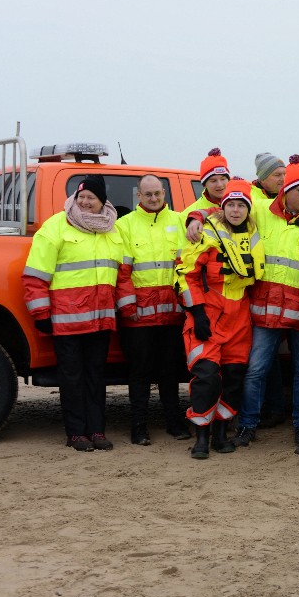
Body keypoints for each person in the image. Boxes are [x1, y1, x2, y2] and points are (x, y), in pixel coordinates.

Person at [235, 155, 299, 448]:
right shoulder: (262, 211)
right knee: (255, 369)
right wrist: (195, 219)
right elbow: (228, 209)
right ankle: (247, 424)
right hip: (265, 311)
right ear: (285, 190)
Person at [23, 174, 124, 451]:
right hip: (67, 322)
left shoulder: (112, 230)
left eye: (91, 197)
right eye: (81, 197)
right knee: (72, 378)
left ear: (102, 201)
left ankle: (97, 431)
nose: (85, 202)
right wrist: (41, 313)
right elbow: (34, 276)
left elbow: (122, 274)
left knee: (96, 377)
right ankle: (76, 433)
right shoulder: (56, 226)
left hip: (101, 320)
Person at [176, 179, 265, 459]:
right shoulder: (206, 235)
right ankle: (200, 437)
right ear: (222, 207)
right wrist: (197, 312)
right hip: (210, 314)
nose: (236, 210)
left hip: (240, 316)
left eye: (241, 205)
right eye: (231, 205)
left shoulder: (255, 234)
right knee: (207, 378)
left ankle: (220, 433)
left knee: (235, 378)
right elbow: (184, 274)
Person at [115, 174, 190, 445]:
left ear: (164, 193)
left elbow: (187, 266)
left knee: (171, 372)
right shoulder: (125, 226)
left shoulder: (180, 221)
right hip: (139, 317)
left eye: (157, 193)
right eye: (148, 195)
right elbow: (122, 273)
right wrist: (127, 306)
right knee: (139, 373)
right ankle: (139, 426)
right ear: (139, 196)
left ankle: (174, 422)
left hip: (172, 315)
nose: (154, 198)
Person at [182, 148, 231, 243]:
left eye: (223, 179)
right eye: (213, 181)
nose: (220, 185)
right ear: (204, 184)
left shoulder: (242, 205)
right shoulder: (189, 214)